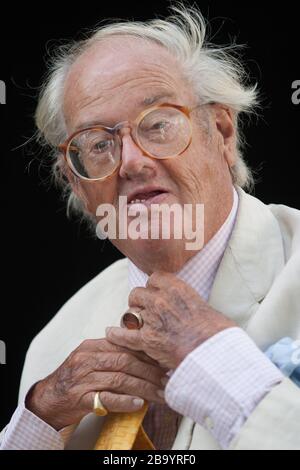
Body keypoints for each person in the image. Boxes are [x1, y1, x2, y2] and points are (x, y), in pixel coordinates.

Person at [1, 5, 300, 450]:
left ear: (221, 132)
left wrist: (217, 361)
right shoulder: (55, 343)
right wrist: (38, 422)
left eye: (158, 125)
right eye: (100, 145)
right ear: (76, 183)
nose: (133, 162)